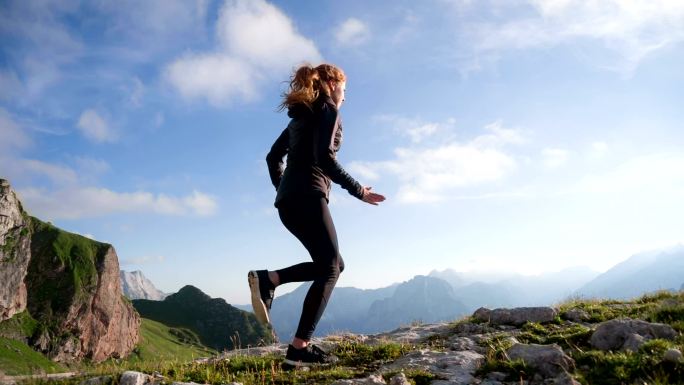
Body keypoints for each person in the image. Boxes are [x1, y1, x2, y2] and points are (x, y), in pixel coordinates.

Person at [249, 63, 385, 366]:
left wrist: (282, 188)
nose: (346, 98)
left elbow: (273, 157)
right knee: (331, 268)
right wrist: (359, 191)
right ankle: (299, 348)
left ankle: (270, 279)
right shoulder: (327, 111)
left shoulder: (301, 116)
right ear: (332, 84)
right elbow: (325, 158)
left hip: (289, 202)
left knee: (333, 264)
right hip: (308, 198)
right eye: (345, 90)